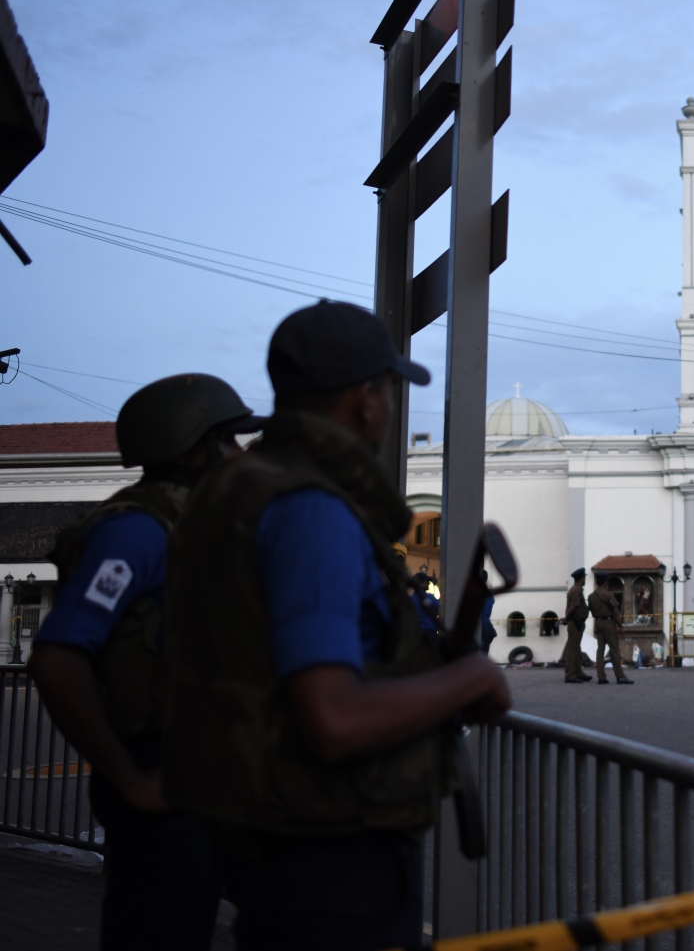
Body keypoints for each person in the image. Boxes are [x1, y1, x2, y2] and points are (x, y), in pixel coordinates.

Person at [159, 300, 512, 951]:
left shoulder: (237, 488)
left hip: (263, 831)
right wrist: (470, 678)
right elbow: (333, 716)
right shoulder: (311, 511)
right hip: (330, 857)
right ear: (367, 400)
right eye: (388, 389)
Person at [29, 373, 265, 951]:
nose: (238, 457)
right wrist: (128, 776)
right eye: (227, 443)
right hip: (160, 778)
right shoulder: (136, 533)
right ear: (189, 451)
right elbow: (58, 656)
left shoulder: (189, 524)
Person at [588, 576, 632, 684]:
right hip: (608, 623)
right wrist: (620, 626)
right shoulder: (609, 595)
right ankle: (620, 676)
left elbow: (592, 611)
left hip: (598, 622)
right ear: (606, 583)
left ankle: (601, 677)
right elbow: (616, 612)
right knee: (614, 650)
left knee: (600, 650)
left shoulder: (591, 596)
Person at [562, 567, 589, 682]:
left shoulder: (575, 589)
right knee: (572, 649)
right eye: (584, 577)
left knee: (576, 648)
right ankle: (570, 674)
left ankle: (578, 672)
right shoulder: (577, 590)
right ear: (581, 578)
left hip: (577, 621)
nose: (585, 580)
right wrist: (566, 618)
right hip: (575, 622)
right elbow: (574, 607)